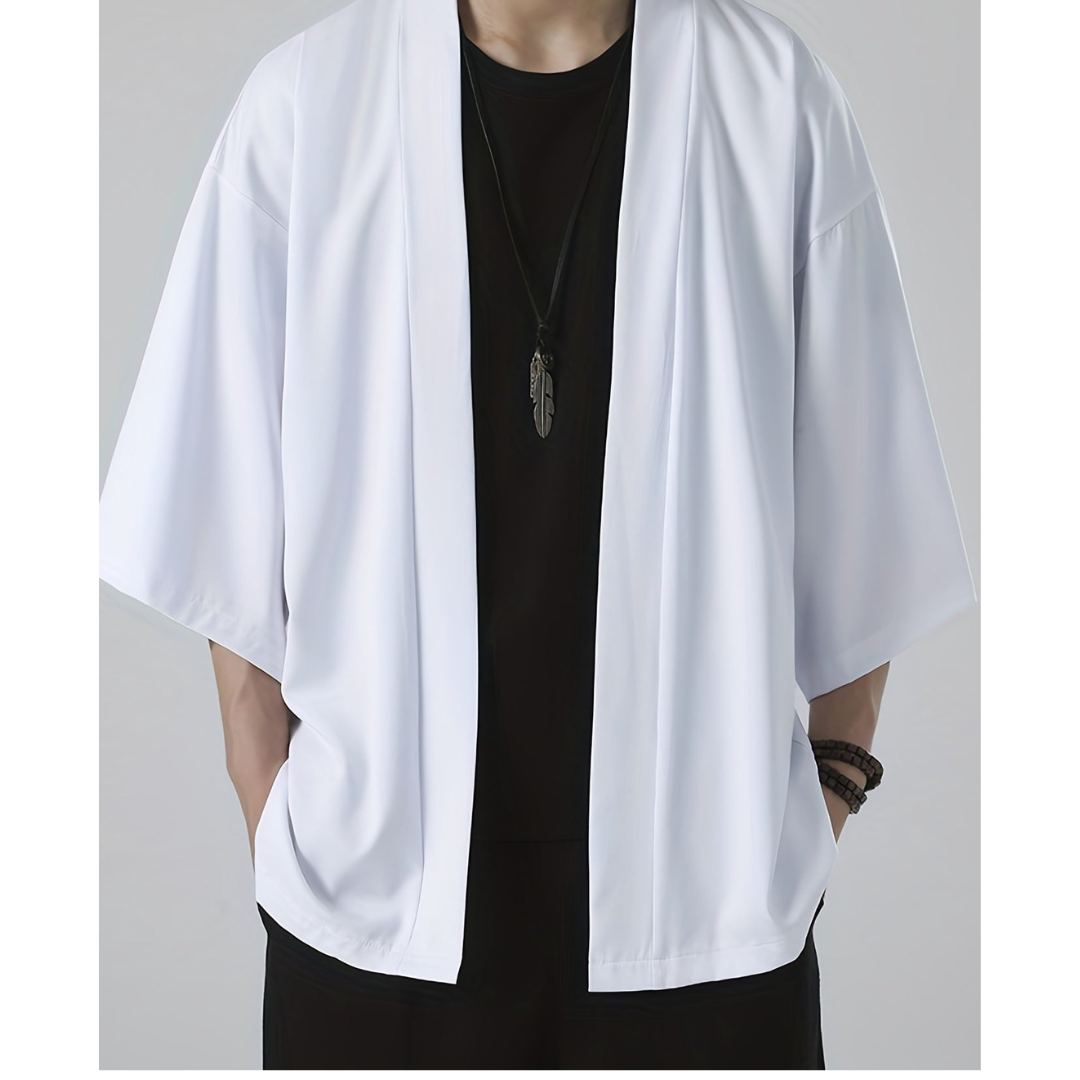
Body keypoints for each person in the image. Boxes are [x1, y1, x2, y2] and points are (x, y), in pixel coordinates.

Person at [99, 0, 977, 1068]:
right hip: (374, 924)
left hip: (707, 930)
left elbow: (873, 506)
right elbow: (219, 492)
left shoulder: (776, 101)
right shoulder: (305, 106)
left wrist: (827, 791)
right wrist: (269, 802)